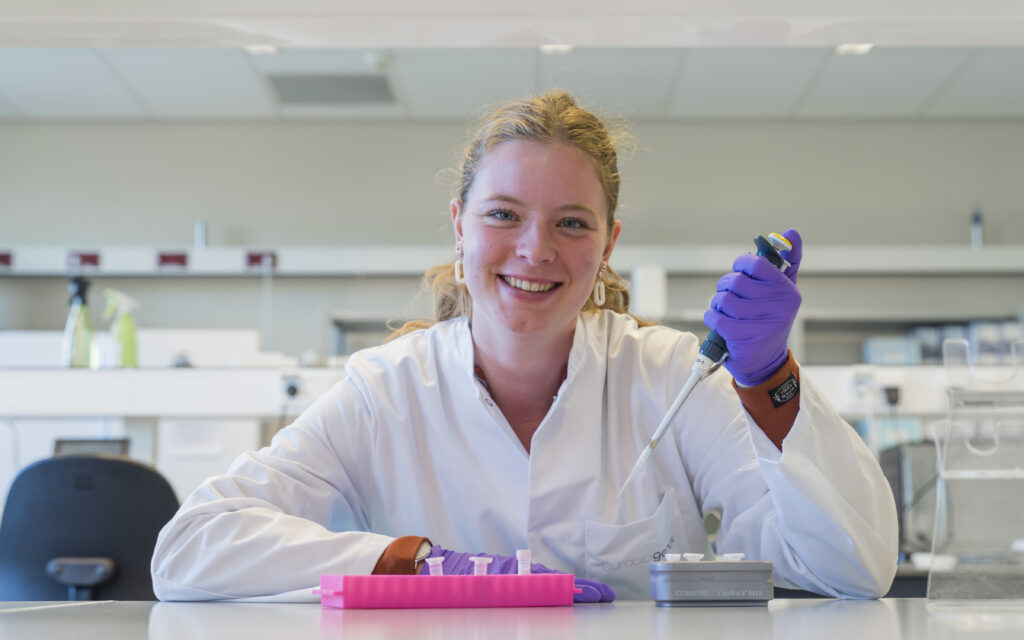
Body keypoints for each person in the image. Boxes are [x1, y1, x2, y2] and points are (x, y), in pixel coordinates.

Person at [151, 90, 898, 602]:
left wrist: (770, 379)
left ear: (608, 244)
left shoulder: (671, 377)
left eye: (571, 223)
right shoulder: (387, 391)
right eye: (503, 214)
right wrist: (412, 563)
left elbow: (852, 571)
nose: (535, 250)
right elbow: (191, 546)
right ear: (459, 226)